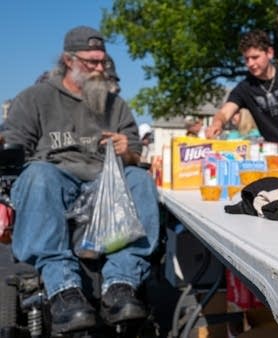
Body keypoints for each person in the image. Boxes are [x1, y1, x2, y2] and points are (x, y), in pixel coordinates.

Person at [0, 26, 159, 334]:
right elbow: (16, 149)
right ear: (68, 60)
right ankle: (63, 289)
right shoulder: (35, 98)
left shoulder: (115, 104)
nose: (100, 68)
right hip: (54, 180)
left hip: (103, 185)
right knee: (38, 175)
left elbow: (134, 148)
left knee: (139, 180)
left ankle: (120, 284)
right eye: (91, 62)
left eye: (103, 62)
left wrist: (128, 150)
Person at [205, 29, 278, 142]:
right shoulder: (244, 88)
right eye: (246, 59)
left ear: (269, 53)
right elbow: (224, 113)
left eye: (255, 57)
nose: (250, 64)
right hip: (274, 150)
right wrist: (217, 123)